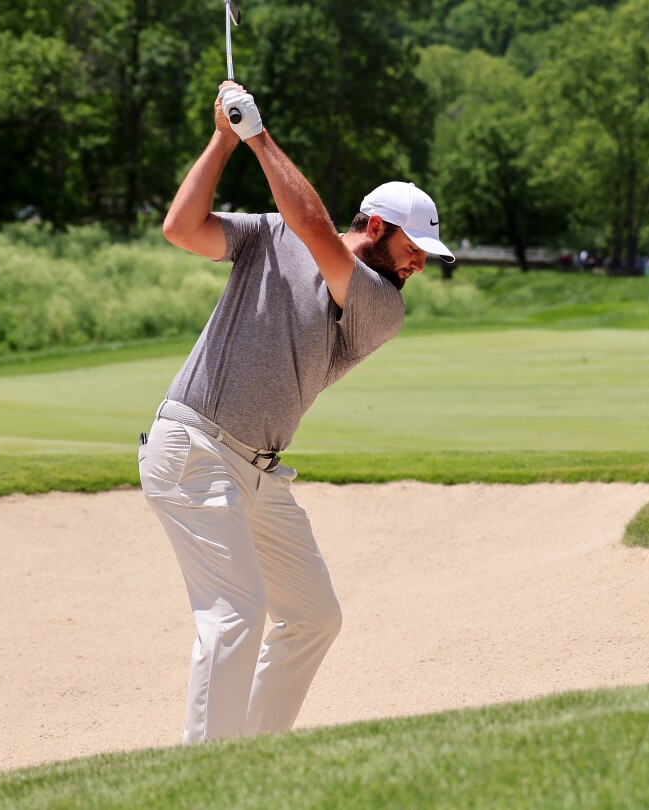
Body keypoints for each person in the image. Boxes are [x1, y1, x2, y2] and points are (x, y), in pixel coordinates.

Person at [140, 82, 455, 743]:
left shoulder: (381, 304)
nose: (420, 263)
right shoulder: (268, 233)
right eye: (415, 247)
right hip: (194, 448)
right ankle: (206, 778)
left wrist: (258, 136)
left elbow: (314, 230)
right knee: (236, 614)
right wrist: (223, 141)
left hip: (254, 472)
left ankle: (254, 754)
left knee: (313, 615)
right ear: (377, 227)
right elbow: (181, 229)